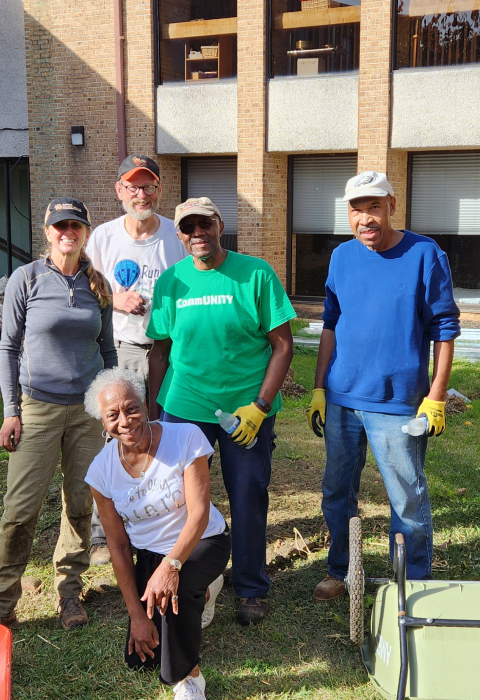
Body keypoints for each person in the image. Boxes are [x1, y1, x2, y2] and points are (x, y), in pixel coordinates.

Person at [306, 172, 460, 601]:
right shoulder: (341, 257)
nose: (366, 218)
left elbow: (444, 329)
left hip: (397, 402)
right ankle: (341, 570)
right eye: (356, 208)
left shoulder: (425, 254)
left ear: (392, 204)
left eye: (374, 206)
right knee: (337, 491)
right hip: (341, 399)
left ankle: (412, 582)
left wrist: (436, 397)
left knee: (406, 498)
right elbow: (331, 324)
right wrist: (319, 388)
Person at [146, 197, 296, 625]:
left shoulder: (255, 274)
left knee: (247, 495)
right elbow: (160, 352)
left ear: (219, 225)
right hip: (184, 407)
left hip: (244, 410)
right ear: (178, 234)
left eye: (204, 224)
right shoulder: (172, 281)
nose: (197, 233)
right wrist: (157, 416)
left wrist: (260, 406)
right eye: (187, 227)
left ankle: (250, 587)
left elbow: (282, 345)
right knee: (177, 500)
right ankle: (184, 576)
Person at [0, 197, 117, 630]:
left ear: (85, 233)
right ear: (47, 232)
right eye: (60, 226)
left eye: (76, 226)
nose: (68, 232)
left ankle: (69, 592)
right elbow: (8, 347)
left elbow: (107, 351)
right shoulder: (25, 279)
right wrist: (11, 411)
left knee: (80, 503)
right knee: (20, 508)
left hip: (86, 410)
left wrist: (109, 407)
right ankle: (4, 599)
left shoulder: (97, 284)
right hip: (37, 408)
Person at [84, 368, 231, 700]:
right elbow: (119, 548)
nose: (125, 420)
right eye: (113, 415)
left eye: (132, 408)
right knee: (141, 656)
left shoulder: (187, 437)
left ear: (146, 404)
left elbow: (199, 514)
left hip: (203, 540)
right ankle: (205, 593)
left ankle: (189, 680)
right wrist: (136, 616)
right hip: (150, 553)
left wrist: (171, 568)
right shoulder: (101, 472)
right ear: (103, 422)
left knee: (171, 596)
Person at [86, 154, 186, 566]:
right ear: (119, 191)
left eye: (148, 186)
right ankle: (100, 532)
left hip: (168, 351)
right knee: (116, 434)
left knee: (162, 431)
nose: (140, 194)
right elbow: (84, 293)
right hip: (122, 350)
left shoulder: (175, 237)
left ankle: (160, 517)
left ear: (158, 191)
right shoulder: (104, 238)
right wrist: (114, 301)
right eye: (132, 186)